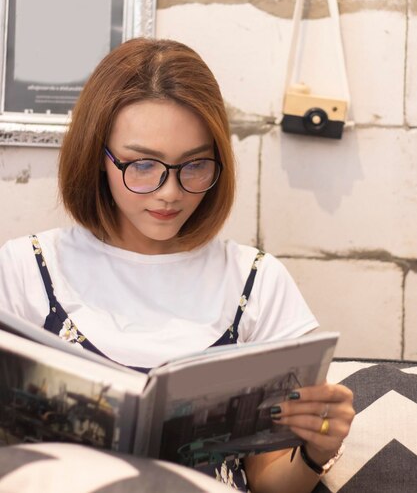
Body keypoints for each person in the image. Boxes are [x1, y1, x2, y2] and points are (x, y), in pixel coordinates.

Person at [0, 37, 354, 492]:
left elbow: (270, 484)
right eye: (143, 165)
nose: (170, 192)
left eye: (195, 165)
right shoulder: (24, 269)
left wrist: (314, 449)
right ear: (97, 157)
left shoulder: (256, 281)